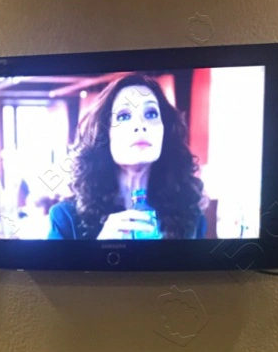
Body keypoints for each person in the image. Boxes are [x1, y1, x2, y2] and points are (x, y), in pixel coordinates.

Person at [48, 73, 207, 240]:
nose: (140, 125)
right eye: (124, 116)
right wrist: (100, 249)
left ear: (165, 131)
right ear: (104, 134)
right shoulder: (65, 218)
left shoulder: (191, 217)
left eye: (151, 114)